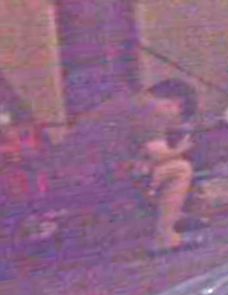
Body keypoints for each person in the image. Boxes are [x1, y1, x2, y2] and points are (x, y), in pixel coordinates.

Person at [44, 78, 203, 255]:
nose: (169, 125)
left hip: (70, 175)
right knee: (180, 169)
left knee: (148, 171)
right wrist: (181, 149)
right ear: (174, 104)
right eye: (176, 119)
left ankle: (171, 217)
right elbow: (158, 154)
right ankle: (165, 237)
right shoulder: (150, 109)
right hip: (92, 180)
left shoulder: (126, 102)